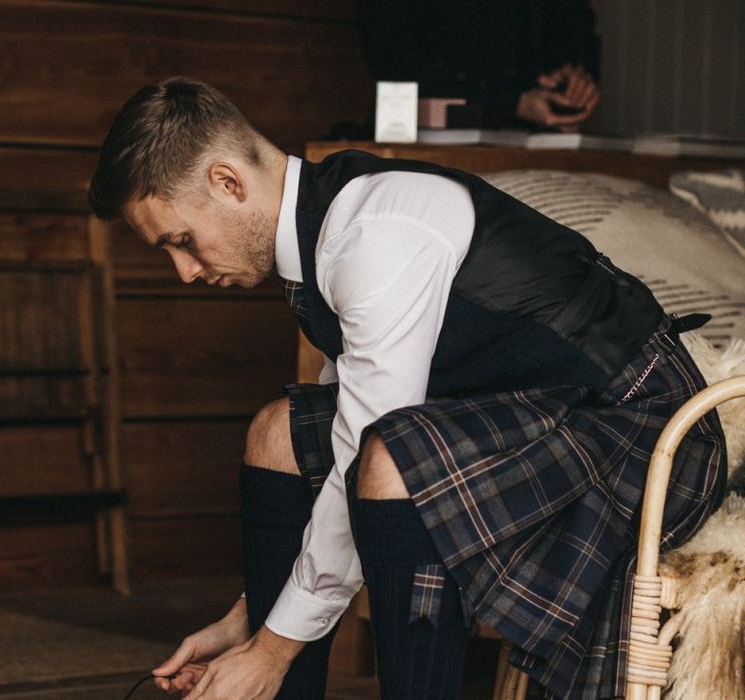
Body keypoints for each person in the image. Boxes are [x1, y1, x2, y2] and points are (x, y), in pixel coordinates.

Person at [88, 77, 726, 699]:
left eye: (181, 240)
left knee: (390, 458)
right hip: (523, 417)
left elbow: (368, 447)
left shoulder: (374, 233)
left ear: (227, 182)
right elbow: (340, 447)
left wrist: (272, 650)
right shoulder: (318, 239)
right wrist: (252, 620)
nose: (186, 271)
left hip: (646, 427)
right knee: (278, 431)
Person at [357, 0, 602, 131]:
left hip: (536, 142)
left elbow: (576, 30)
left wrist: (573, 79)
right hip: (429, 144)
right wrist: (513, 102)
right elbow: (394, 61)